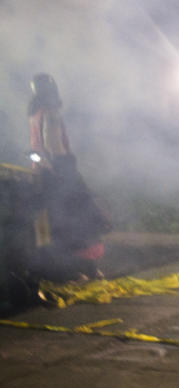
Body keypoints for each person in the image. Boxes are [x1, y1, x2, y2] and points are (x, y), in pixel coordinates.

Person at [28, 73, 109, 282]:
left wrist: (41, 165)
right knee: (78, 219)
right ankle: (84, 270)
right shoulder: (51, 112)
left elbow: (37, 146)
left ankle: (74, 270)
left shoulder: (34, 113)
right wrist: (61, 167)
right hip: (59, 169)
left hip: (42, 170)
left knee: (56, 222)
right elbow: (54, 144)